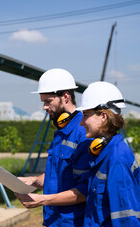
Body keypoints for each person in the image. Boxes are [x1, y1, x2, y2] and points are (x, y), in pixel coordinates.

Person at [15, 68, 93, 227]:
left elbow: (86, 190)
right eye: (43, 101)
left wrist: (42, 200)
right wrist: (34, 181)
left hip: (73, 222)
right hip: (53, 220)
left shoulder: (83, 132)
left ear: (65, 97)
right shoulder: (60, 131)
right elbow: (58, 173)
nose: (44, 107)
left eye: (48, 101)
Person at [76, 81, 140, 226]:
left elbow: (125, 217)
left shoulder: (117, 158)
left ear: (103, 116)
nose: (81, 122)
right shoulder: (104, 152)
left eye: (86, 115)